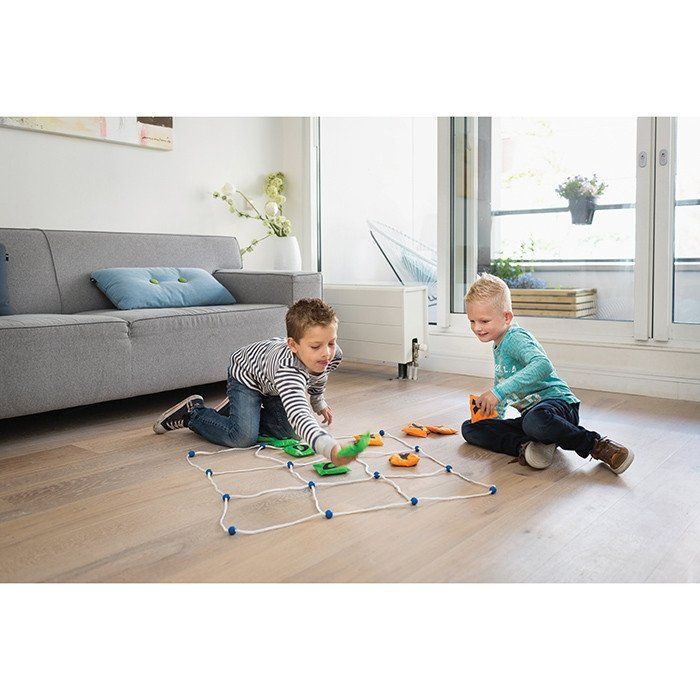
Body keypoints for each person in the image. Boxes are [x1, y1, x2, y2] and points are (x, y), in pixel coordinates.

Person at [461, 273, 634, 474]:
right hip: (532, 418)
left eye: (484, 321)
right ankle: (528, 447)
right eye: (472, 321)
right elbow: (503, 385)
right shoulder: (498, 344)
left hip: (558, 407)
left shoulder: (515, 338)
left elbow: (542, 364)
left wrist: (497, 392)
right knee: (470, 428)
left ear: (507, 317)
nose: (477, 328)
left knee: (535, 421)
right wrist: (493, 418)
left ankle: (596, 445)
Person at [153, 297, 354, 466]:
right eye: (316, 346)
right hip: (247, 376)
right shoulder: (288, 370)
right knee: (242, 437)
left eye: (331, 343)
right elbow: (299, 413)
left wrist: (318, 401)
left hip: (271, 384)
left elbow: (319, 376)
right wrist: (329, 447)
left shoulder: (332, 355)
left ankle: (236, 410)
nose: (326, 353)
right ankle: (193, 413)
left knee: (290, 434)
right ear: (293, 345)